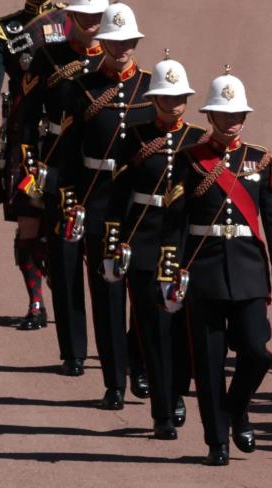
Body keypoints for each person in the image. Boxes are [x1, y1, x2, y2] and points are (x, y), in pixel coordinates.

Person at [159, 68, 272, 466]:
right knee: (208, 362)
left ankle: (235, 410)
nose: (232, 119)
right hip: (204, 274)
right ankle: (216, 441)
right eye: (225, 112)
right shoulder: (189, 162)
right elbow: (175, 224)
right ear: (211, 117)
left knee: (256, 351)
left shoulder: (261, 160)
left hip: (250, 273)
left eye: (238, 113)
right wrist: (170, 276)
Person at [103, 53, 206, 439]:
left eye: (180, 96)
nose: (174, 103)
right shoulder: (135, 138)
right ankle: (163, 411)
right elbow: (117, 199)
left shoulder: (198, 141)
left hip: (182, 243)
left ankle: (177, 389)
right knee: (154, 328)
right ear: (154, 100)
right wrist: (113, 248)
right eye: (167, 96)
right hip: (145, 239)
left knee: (183, 331)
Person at [59, 0, 154, 409]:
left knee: (147, 295)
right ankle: (115, 382)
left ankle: (141, 362)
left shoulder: (153, 89)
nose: (122, 48)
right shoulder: (82, 88)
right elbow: (65, 154)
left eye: (128, 40)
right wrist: (70, 202)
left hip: (141, 208)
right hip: (98, 204)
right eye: (115, 40)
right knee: (108, 297)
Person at [0, 0, 68, 328]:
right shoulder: (6, 29)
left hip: (66, 134)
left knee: (65, 217)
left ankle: (66, 296)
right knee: (29, 220)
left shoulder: (72, 20)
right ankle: (35, 302)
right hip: (26, 135)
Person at [20, 0, 108, 371]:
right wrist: (31, 165)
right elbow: (24, 116)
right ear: (69, 14)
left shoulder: (114, 57)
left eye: (98, 15)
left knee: (110, 270)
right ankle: (73, 352)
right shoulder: (48, 55)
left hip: (104, 174)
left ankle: (116, 355)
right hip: (61, 168)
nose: (91, 22)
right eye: (84, 15)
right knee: (67, 260)